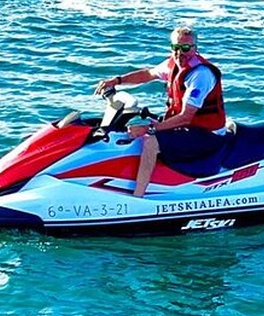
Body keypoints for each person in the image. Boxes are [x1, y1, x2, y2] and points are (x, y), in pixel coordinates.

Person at [95, 26, 227, 197]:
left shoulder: (200, 74)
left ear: (195, 48)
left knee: (151, 141)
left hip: (207, 135)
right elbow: (147, 74)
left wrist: (149, 129)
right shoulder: (173, 63)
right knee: (133, 131)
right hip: (188, 127)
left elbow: (186, 117)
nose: (180, 53)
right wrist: (116, 81)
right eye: (176, 48)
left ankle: (137, 197)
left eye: (185, 48)